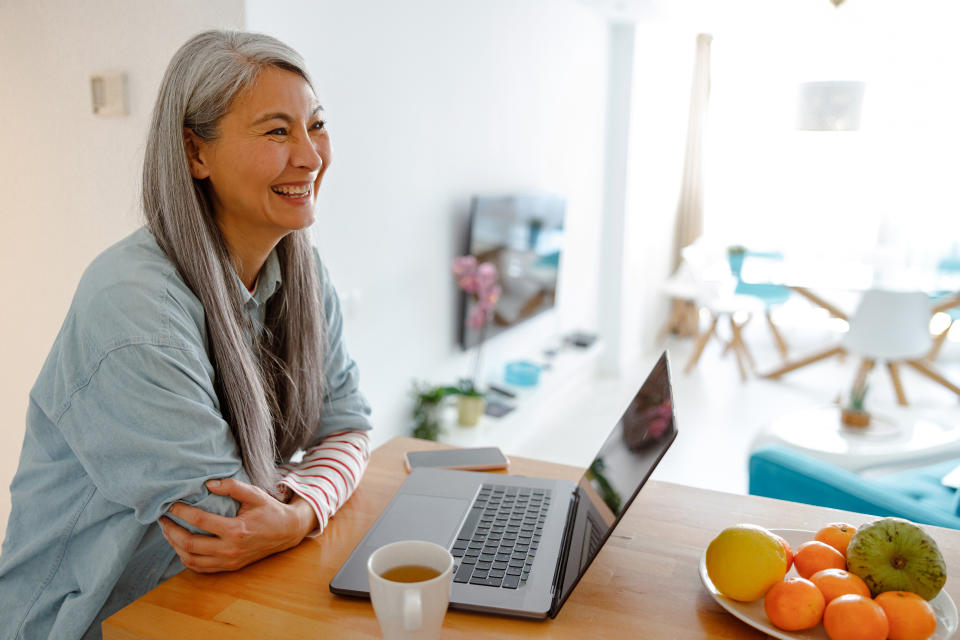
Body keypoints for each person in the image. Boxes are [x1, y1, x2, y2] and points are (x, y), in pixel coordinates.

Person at [0, 30, 373, 639]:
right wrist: (301, 500)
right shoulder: (132, 306)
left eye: (316, 124)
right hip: (91, 623)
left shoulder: (300, 271)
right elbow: (222, 521)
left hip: (209, 602)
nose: (310, 156)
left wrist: (301, 512)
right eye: (277, 131)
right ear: (195, 154)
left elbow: (349, 424)